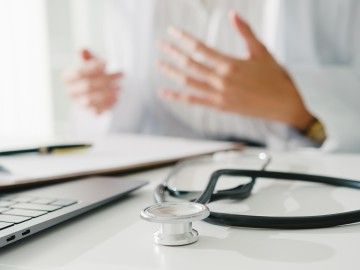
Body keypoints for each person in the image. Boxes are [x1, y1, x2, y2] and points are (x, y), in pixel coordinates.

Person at [64, 0, 360, 152]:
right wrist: (102, 96)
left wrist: (302, 112)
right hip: (170, 188)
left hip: (299, 182)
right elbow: (132, 108)